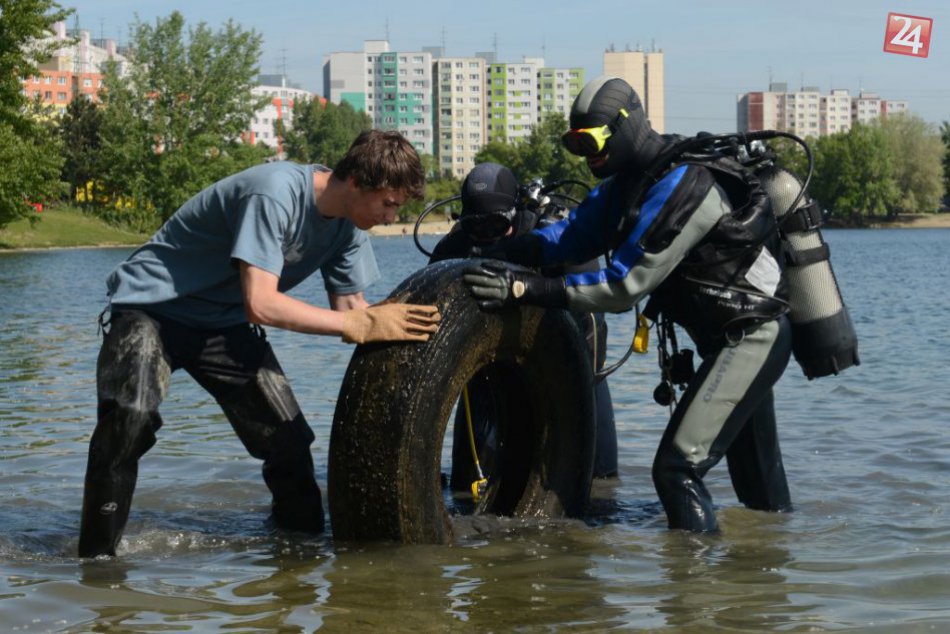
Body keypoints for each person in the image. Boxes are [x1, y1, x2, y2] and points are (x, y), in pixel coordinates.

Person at [79, 129, 442, 557]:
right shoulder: (274, 195)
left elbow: (354, 307)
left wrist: (414, 331)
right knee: (129, 420)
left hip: (222, 325)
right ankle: (97, 564)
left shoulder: (348, 228)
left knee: (288, 441)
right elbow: (262, 304)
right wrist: (359, 325)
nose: (392, 217)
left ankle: (299, 554)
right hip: (152, 309)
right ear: (358, 181)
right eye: (389, 204)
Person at [464, 77, 793, 532]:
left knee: (676, 471)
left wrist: (526, 290)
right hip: (727, 343)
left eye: (592, 140)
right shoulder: (624, 188)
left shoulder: (685, 185)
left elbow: (624, 286)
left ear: (624, 126)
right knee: (763, 496)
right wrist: (499, 255)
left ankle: (695, 599)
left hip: (753, 338)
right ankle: (771, 580)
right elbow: (565, 238)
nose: (585, 155)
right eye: (574, 144)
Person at [430, 162, 617, 483]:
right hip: (487, 372)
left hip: (570, 368)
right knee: (466, 485)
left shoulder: (558, 240)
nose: (487, 237)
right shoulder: (455, 247)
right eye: (477, 226)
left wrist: (572, 391)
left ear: (516, 214)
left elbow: (592, 326)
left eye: (496, 225)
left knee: (597, 488)